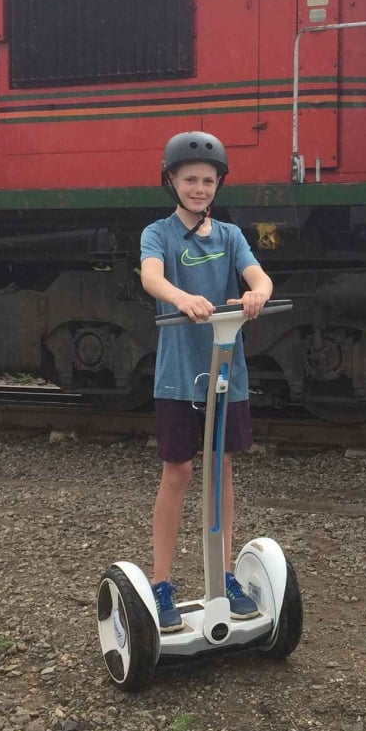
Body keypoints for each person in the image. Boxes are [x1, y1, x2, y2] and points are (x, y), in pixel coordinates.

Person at [140, 130, 275, 632]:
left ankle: (223, 577)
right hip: (180, 378)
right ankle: (161, 584)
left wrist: (256, 293)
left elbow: (259, 276)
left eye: (208, 180)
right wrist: (180, 298)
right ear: (172, 181)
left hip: (227, 375)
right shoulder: (159, 234)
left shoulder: (230, 236)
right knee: (178, 472)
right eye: (190, 179)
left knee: (221, 471)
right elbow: (150, 276)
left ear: (219, 184)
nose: (199, 188)